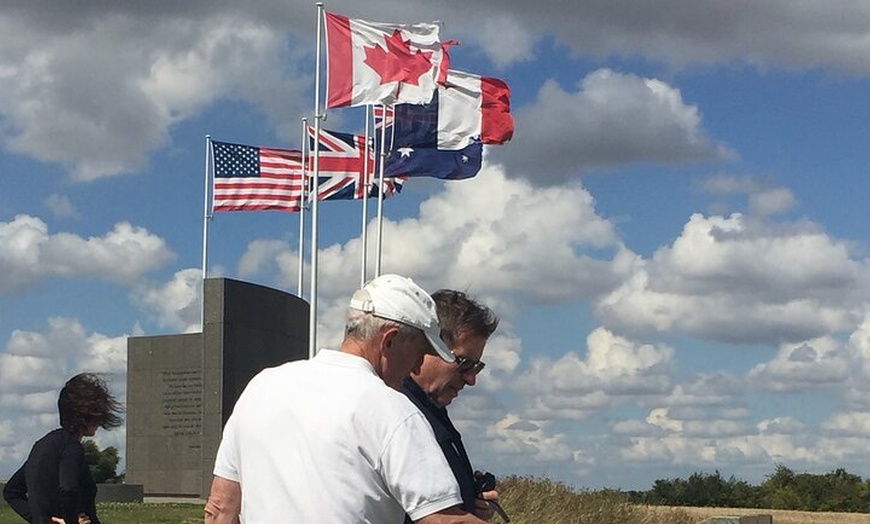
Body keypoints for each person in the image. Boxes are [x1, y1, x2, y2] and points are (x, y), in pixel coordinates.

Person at [205, 274, 492, 524]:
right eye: (419, 350)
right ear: (389, 340)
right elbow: (444, 520)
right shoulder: (392, 408)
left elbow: (221, 509)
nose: (418, 362)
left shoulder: (261, 386)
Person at [400, 290, 500, 523]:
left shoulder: (431, 411)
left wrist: (472, 503)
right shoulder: (400, 413)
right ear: (430, 346)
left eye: (477, 367)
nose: (471, 379)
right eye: (465, 364)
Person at [2, 373, 123, 524]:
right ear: (86, 414)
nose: (100, 421)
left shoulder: (41, 446)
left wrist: (41, 520)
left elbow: (11, 492)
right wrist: (71, 521)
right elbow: (68, 487)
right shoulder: (71, 447)